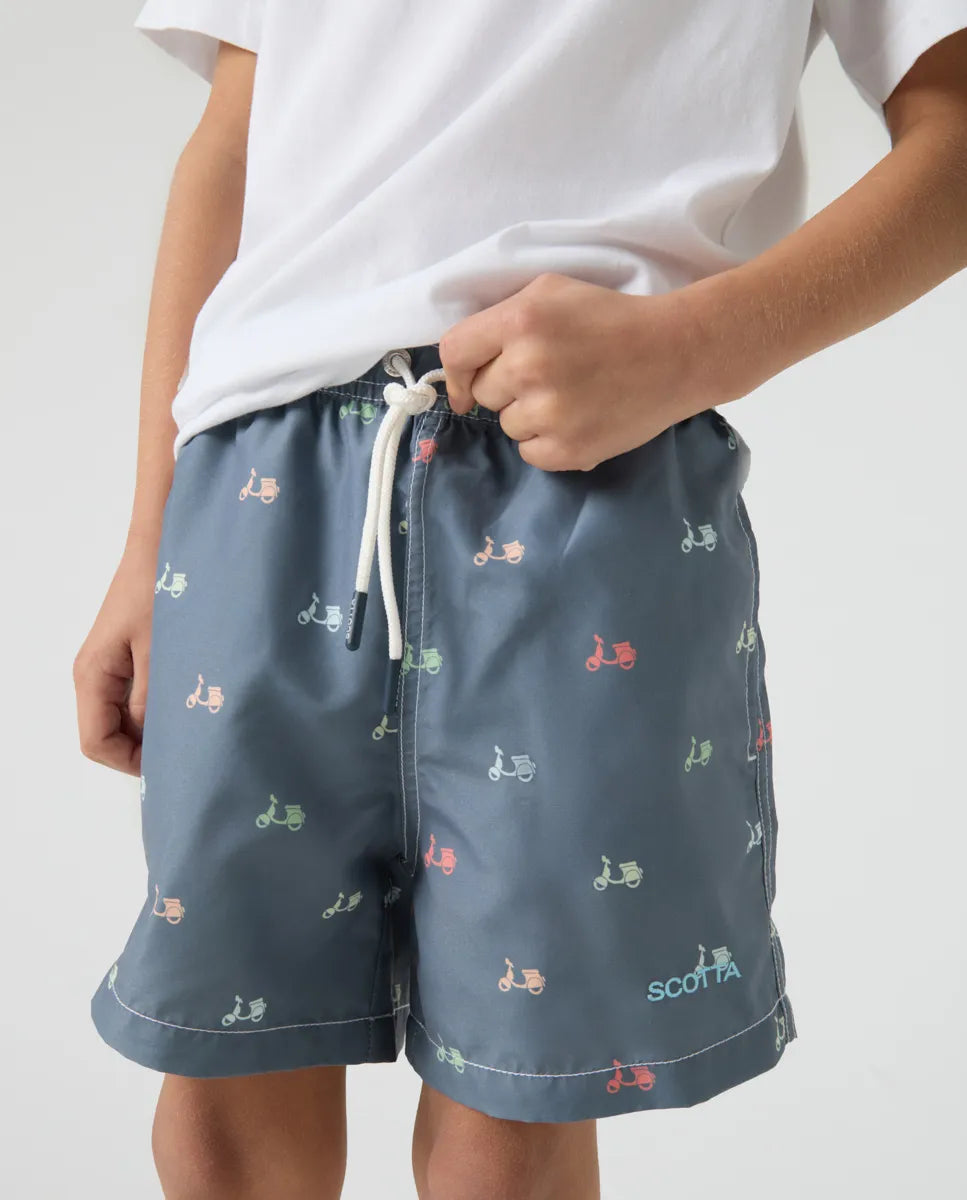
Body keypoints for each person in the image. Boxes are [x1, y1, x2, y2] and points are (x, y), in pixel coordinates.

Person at [73, 3, 967, 1197]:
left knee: (515, 1121)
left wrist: (693, 346)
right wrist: (148, 541)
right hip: (258, 492)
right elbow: (231, 145)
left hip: (584, 478)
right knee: (222, 1097)